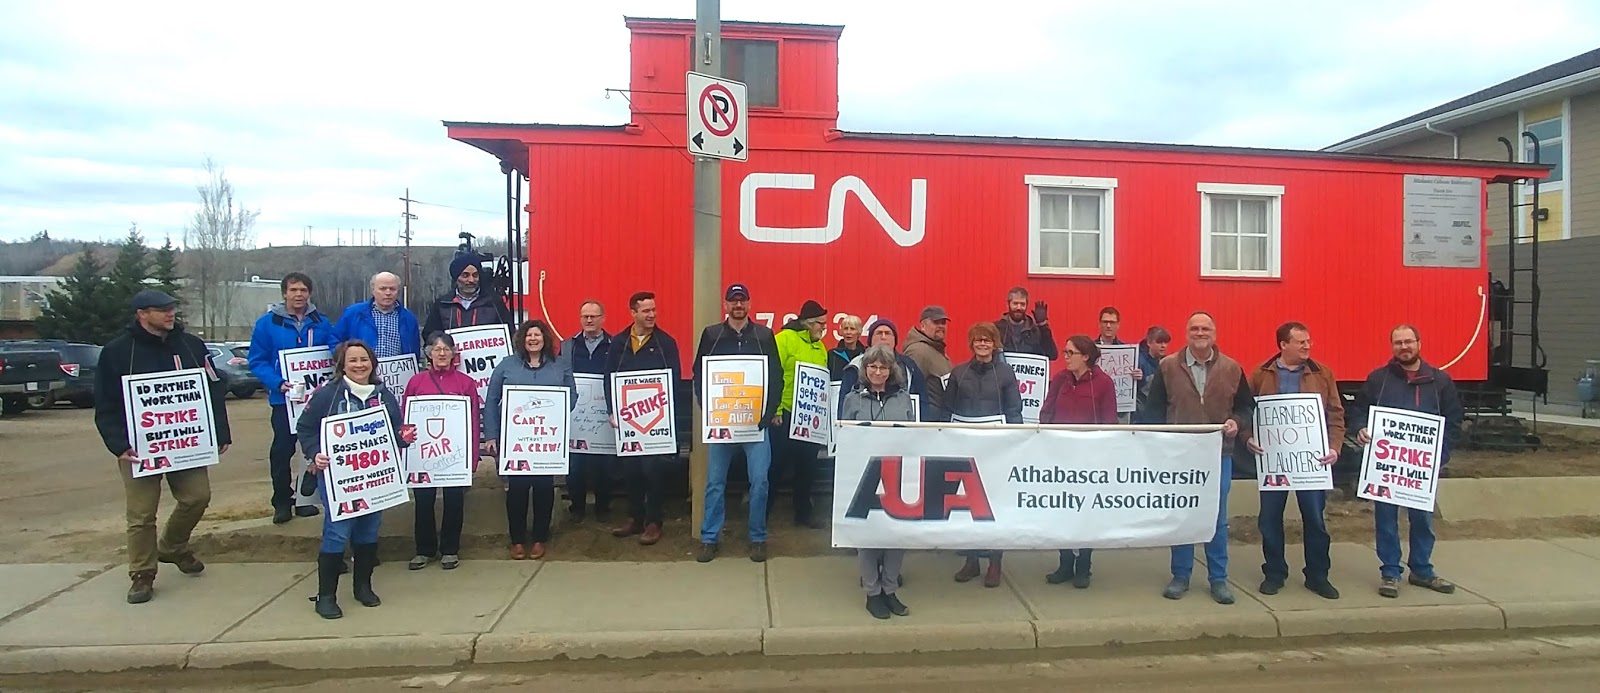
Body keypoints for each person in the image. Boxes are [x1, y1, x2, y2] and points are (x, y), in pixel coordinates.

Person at [94, 289, 233, 604]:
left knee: (197, 497)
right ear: (142, 314)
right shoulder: (117, 352)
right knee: (142, 514)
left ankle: (172, 546)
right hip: (139, 449)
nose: (171, 314)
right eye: (162, 310)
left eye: (172, 308)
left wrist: (219, 431)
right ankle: (142, 574)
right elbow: (105, 405)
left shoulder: (191, 346)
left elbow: (213, 389)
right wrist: (118, 444)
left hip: (186, 443)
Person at [1140, 311, 1254, 605]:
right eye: (1194, 328)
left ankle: (1218, 579)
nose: (1200, 333)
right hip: (1179, 456)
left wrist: (1237, 424)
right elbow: (1153, 413)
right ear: (1187, 332)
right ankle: (1180, 575)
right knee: (1182, 515)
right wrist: (1158, 447)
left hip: (1219, 454)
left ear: (1214, 333)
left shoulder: (1232, 368)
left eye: (1205, 328)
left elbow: (1245, 409)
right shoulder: (1167, 367)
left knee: (1216, 518)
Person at [299, 339, 416, 620]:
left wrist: (404, 438)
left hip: (374, 478)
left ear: (372, 363)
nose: (359, 365)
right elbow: (305, 428)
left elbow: (396, 431)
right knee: (338, 532)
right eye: (352, 360)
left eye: (364, 360)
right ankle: (326, 596)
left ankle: (362, 586)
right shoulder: (327, 395)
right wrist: (315, 453)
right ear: (342, 365)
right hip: (339, 478)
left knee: (368, 530)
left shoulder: (383, 395)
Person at [1350, 324, 1464, 599]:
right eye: (1398, 342)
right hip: (1387, 467)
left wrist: (1441, 456)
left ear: (1419, 344)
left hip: (1422, 468)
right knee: (1386, 519)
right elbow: (1358, 410)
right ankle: (1390, 571)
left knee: (1422, 519)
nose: (1404, 347)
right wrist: (1361, 428)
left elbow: (1454, 422)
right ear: (1392, 347)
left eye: (1408, 341)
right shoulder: (1379, 379)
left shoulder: (1440, 381)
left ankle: (1422, 569)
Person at [1244, 322, 1344, 600]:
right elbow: (1246, 412)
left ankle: (1318, 575)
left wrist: (1334, 447)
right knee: (1270, 519)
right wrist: (1248, 437)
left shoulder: (1322, 374)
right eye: (1300, 342)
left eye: (1309, 341)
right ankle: (1274, 573)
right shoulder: (1261, 374)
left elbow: (1335, 415)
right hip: (1273, 461)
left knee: (1314, 519)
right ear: (1283, 345)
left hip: (1312, 462)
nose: (1307, 346)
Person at [691, 283, 782, 562]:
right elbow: (699, 374)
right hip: (722, 423)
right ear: (726, 304)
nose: (738, 305)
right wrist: (709, 409)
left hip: (755, 425)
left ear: (750, 304)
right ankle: (709, 538)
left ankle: (757, 537)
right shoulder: (712, 334)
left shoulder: (764, 335)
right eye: (733, 301)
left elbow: (776, 376)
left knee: (760, 481)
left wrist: (768, 413)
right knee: (715, 483)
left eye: (742, 300)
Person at [248, 272, 338, 524]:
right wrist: (278, 383)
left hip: (317, 398)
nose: (298, 295)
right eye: (293, 290)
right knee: (282, 450)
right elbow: (257, 360)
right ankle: (281, 501)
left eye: (303, 290)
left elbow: (333, 348)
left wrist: (339, 355)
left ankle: (305, 499)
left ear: (309, 293)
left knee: (315, 449)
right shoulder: (267, 324)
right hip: (284, 400)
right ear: (284, 293)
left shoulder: (321, 322)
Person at [484, 320, 577, 560]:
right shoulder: (507, 365)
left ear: (545, 338)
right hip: (516, 440)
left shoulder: (560, 366)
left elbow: (572, 397)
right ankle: (517, 540)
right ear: (522, 339)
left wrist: (553, 419)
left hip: (545, 440)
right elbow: (491, 400)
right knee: (517, 489)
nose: (533, 339)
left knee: (544, 489)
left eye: (537, 335)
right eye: (528, 335)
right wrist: (492, 435)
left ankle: (539, 538)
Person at [838, 346, 917, 619]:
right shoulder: (852, 399)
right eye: (873, 367)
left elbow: (913, 436)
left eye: (883, 367)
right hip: (864, 476)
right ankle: (872, 593)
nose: (877, 372)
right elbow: (845, 436)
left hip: (896, 475)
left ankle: (890, 589)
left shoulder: (903, 399)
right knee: (868, 537)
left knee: (896, 535)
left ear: (891, 371)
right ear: (865, 369)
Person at [943, 321, 1023, 588]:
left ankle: (995, 563)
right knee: (967, 506)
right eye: (977, 340)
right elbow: (946, 411)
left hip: (996, 450)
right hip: (965, 449)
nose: (982, 344)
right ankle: (971, 560)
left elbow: (1014, 411)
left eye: (987, 340)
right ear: (971, 343)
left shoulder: (1006, 373)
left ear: (994, 343)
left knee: (995, 506)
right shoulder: (959, 373)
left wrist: (1016, 441)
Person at [1038, 335, 1118, 588]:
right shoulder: (1060, 380)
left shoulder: (1104, 383)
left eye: (1071, 352)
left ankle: (1084, 565)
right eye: (1065, 352)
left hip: (1088, 459)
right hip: (1060, 457)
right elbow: (1046, 410)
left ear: (1086, 356)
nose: (1066, 356)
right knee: (1061, 510)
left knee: (1085, 512)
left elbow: (1109, 422)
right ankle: (1064, 563)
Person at [604, 291, 682, 546]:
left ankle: (653, 521)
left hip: (655, 419)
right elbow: (609, 378)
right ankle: (634, 517)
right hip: (628, 419)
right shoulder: (619, 342)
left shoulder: (665, 342)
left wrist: (669, 417)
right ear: (633, 313)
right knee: (631, 471)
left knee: (652, 471)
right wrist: (611, 410)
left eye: (653, 310)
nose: (651, 315)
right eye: (646, 311)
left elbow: (675, 382)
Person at [402, 332, 482, 571]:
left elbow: (473, 420)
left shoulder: (465, 383)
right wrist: (406, 449)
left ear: (454, 354)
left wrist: (472, 455)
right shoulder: (416, 382)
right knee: (424, 502)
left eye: (446, 349)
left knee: (454, 500)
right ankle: (424, 549)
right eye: (436, 349)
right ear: (428, 354)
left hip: (454, 454)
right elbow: (406, 417)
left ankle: (450, 549)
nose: (442, 353)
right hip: (424, 453)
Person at [773, 299, 831, 529]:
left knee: (807, 467)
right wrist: (775, 410)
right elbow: (774, 375)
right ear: (808, 323)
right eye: (821, 324)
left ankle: (803, 514)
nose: (823, 329)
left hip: (809, 417)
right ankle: (763, 514)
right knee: (775, 467)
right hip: (785, 414)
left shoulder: (821, 347)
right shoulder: (783, 339)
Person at [564, 300, 616, 523]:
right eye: (585, 316)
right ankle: (577, 507)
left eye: (594, 316)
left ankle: (603, 507)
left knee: (604, 465)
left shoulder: (615, 344)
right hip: (577, 415)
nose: (589, 320)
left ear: (603, 318)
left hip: (603, 412)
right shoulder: (568, 346)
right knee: (575, 465)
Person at [838, 319, 926, 415]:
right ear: (870, 340)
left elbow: (923, 400)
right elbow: (844, 404)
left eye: (888, 333)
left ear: (895, 340)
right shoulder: (855, 365)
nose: (883, 337)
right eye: (879, 333)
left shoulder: (909, 365)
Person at [332, 272, 421, 360]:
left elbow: (414, 351)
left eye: (392, 289)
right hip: (361, 370)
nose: (388, 293)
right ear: (373, 290)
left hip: (397, 372)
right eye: (383, 289)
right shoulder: (353, 313)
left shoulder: (409, 318)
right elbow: (335, 340)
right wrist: (345, 360)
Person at [422, 254, 511, 335]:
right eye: (465, 275)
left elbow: (509, 333)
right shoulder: (443, 305)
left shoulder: (494, 303)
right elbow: (430, 336)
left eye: (475, 275)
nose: (471, 280)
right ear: (456, 278)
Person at [902, 306, 953, 419]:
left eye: (943, 322)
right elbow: (909, 388)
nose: (940, 326)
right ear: (923, 326)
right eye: (935, 322)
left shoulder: (936, 349)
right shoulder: (917, 351)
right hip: (929, 422)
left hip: (941, 420)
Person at [996, 286, 1058, 360]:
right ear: (1008, 304)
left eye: (1022, 304)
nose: (1019, 307)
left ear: (1027, 305)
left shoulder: (1035, 330)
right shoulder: (996, 329)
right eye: (1015, 303)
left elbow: (1052, 355)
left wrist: (1043, 325)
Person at [1132, 326, 1172, 423]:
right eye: (1159, 342)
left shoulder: (1167, 363)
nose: (1163, 346)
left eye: (1165, 342)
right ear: (1149, 343)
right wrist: (1137, 380)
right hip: (1141, 416)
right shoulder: (1137, 361)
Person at [827, 314, 865, 380]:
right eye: (845, 329)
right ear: (841, 332)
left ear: (859, 332)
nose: (848, 332)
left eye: (852, 329)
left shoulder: (866, 355)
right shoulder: (832, 354)